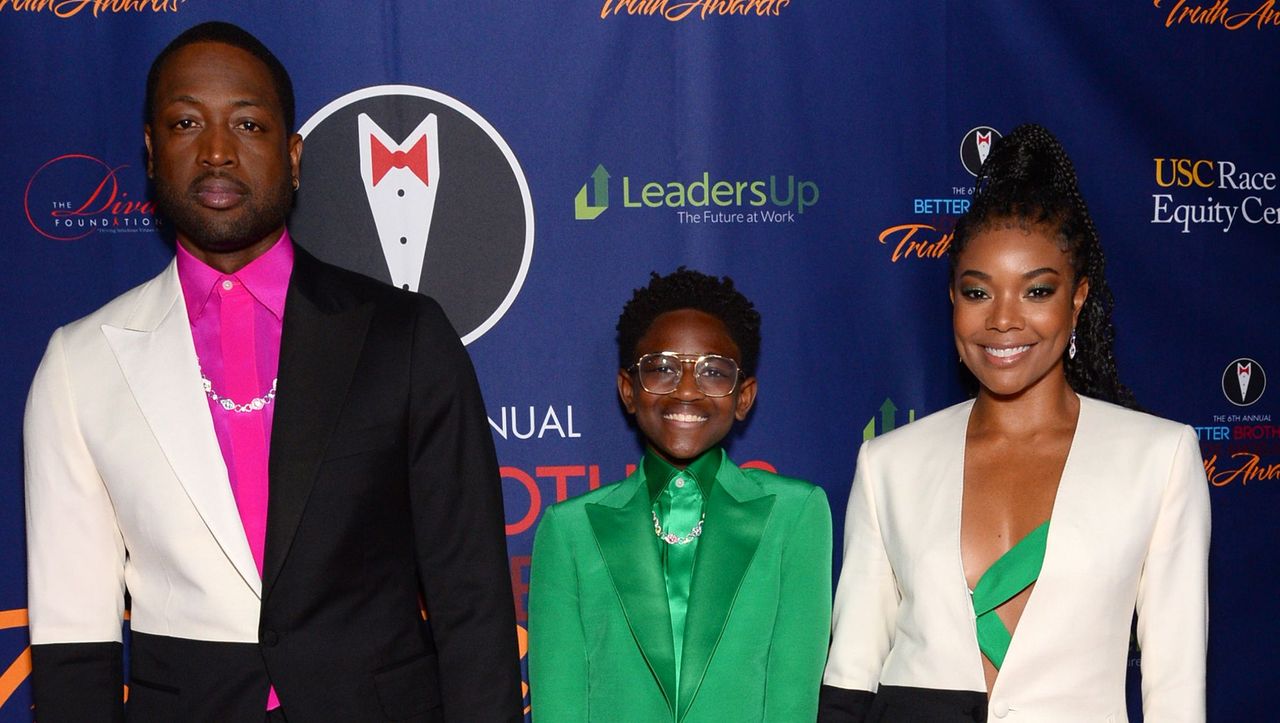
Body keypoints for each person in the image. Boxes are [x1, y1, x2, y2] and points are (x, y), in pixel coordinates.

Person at [24, 21, 521, 722]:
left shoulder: (405, 336)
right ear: (150, 151)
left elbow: (470, 601)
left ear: (292, 156)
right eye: (186, 121)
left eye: (248, 123)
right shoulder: (80, 362)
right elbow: (74, 638)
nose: (218, 150)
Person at [820, 124, 1210, 721]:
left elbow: (1175, 692)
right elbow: (849, 680)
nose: (1003, 320)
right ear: (953, 300)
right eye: (978, 293)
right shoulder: (888, 463)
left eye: (1036, 292)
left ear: (1077, 299)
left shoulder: (1159, 457)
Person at [528, 268, 832, 722]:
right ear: (628, 391)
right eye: (663, 368)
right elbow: (560, 705)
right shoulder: (568, 529)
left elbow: (793, 700)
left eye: (713, 371)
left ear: (743, 396)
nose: (687, 389)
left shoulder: (796, 515)